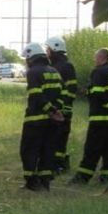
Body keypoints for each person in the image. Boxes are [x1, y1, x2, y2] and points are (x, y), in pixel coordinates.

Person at [72, 47, 108, 185]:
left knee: (92, 149)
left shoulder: (99, 72)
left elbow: (98, 93)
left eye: (95, 57)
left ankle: (81, 179)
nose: (94, 59)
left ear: (101, 58)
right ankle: (106, 178)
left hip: (100, 120)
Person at [20, 42, 64, 191]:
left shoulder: (33, 72)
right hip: (52, 121)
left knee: (29, 150)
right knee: (47, 150)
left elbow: (36, 95)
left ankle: (32, 182)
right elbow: (61, 94)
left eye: (26, 58)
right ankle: (45, 182)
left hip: (35, 120)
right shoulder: (54, 71)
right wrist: (56, 110)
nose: (26, 62)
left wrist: (50, 110)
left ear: (30, 57)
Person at [45, 35, 77, 174]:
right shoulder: (52, 66)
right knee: (53, 138)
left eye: (48, 49)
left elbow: (71, 89)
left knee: (60, 139)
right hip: (54, 109)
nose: (46, 52)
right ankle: (55, 164)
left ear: (54, 49)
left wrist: (62, 107)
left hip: (62, 110)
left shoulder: (66, 66)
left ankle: (59, 165)